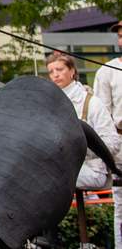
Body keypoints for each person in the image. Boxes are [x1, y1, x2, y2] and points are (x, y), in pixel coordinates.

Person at [47, 52, 121, 188]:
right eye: (51, 72)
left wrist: (82, 150)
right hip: (60, 165)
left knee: (48, 175)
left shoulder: (91, 102)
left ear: (72, 71)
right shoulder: (48, 104)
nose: (55, 75)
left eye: (59, 69)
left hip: (92, 169)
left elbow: (114, 142)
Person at [93, 19, 122, 249]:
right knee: (121, 204)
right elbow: (103, 116)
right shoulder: (107, 71)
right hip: (121, 142)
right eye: (120, 36)